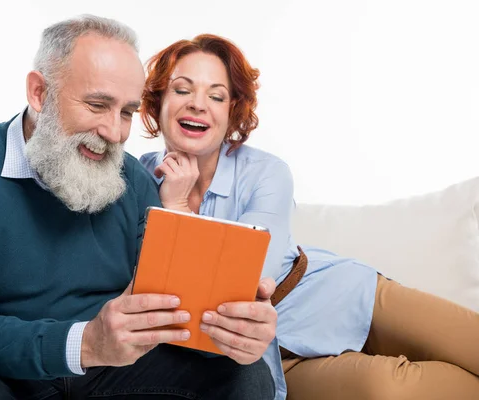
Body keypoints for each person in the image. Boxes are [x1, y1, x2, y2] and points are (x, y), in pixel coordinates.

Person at [0, 16, 278, 400]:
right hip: (9, 376)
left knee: (245, 374)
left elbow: (173, 304)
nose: (114, 132)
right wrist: (85, 343)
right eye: (97, 104)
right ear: (39, 93)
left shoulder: (133, 180)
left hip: (115, 374)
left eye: (126, 112)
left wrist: (235, 330)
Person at [138, 33, 479, 400]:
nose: (198, 105)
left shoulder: (265, 172)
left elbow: (246, 284)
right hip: (267, 361)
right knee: (388, 390)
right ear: (158, 101)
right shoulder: (138, 181)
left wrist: (176, 212)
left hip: (340, 297)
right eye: (182, 90)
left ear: (231, 110)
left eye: (216, 96)